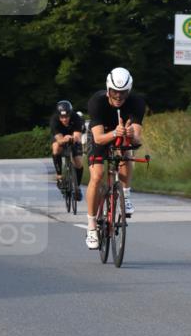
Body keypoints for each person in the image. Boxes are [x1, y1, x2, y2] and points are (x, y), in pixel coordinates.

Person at [85, 67, 146, 249]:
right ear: (108, 88)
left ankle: (125, 194)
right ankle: (91, 227)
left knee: (127, 150)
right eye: (114, 92)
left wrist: (130, 134)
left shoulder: (137, 102)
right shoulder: (97, 102)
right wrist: (114, 132)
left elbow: (137, 139)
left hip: (120, 135)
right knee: (97, 175)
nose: (118, 96)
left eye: (123, 92)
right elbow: (98, 138)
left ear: (129, 90)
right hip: (100, 135)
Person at [50, 100, 84, 197]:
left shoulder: (76, 118)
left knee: (78, 162)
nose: (64, 119)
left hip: (74, 138)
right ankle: (59, 175)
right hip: (60, 137)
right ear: (58, 115)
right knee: (56, 147)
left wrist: (72, 138)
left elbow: (77, 137)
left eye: (67, 117)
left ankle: (77, 186)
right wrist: (65, 139)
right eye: (62, 117)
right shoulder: (54, 120)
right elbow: (59, 140)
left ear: (71, 114)